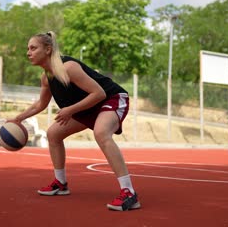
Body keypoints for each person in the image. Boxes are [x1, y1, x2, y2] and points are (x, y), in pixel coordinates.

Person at [8, 31, 140, 211]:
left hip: (111, 98)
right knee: (53, 134)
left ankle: (129, 192)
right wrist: (18, 119)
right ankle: (60, 183)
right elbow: (40, 104)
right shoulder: (47, 77)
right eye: (28, 49)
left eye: (33, 48)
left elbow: (99, 93)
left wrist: (70, 110)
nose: (28, 52)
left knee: (101, 133)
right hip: (88, 107)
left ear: (48, 49)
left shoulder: (68, 67)